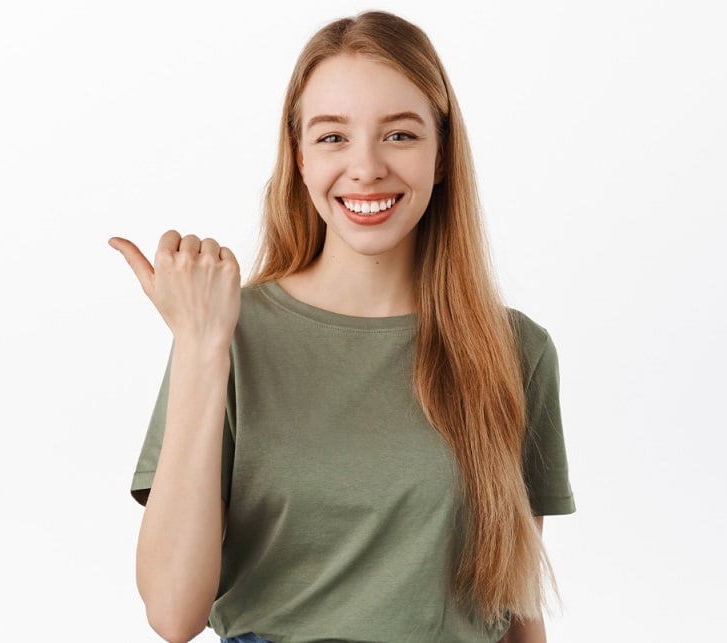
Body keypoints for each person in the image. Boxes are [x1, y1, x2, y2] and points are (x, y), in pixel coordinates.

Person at [108, 10, 575, 643]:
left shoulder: (516, 351)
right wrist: (198, 347)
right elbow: (172, 612)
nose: (366, 167)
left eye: (400, 135)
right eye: (332, 137)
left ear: (441, 155)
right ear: (298, 158)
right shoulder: (227, 337)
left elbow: (517, 609)